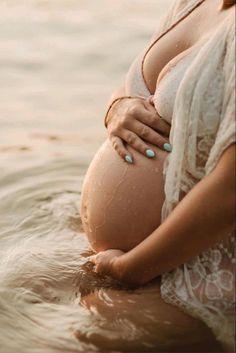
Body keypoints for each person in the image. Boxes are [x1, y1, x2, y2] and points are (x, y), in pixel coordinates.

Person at [80, 0, 235, 350]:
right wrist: (118, 106)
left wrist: (128, 271)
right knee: (20, 291)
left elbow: (232, 189)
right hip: (125, 261)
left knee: (94, 340)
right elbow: (135, 86)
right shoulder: (195, 2)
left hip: (193, 273)